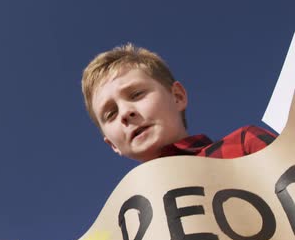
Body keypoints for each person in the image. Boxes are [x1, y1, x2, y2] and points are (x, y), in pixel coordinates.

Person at [81, 43, 277, 162]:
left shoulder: (243, 145)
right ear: (112, 145)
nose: (124, 113)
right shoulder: (126, 221)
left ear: (177, 96)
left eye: (137, 94)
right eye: (110, 114)